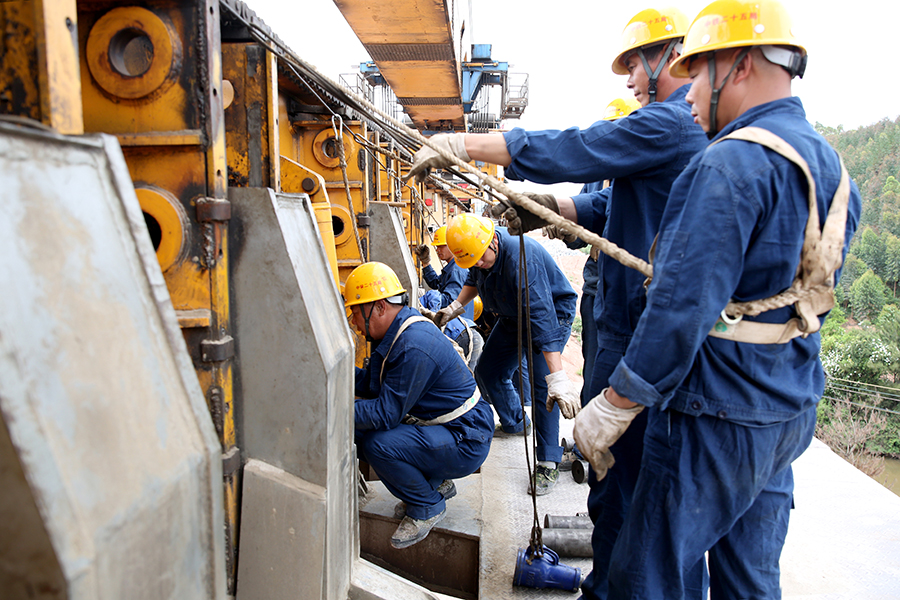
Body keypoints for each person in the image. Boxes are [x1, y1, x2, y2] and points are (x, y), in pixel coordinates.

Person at [405, 8, 709, 598]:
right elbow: (608, 210)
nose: (629, 82)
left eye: (634, 66)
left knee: (638, 488)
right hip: (619, 321)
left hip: (637, 328)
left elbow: (580, 147)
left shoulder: (669, 125)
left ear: (669, 55)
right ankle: (609, 580)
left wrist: (463, 145)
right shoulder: (668, 131)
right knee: (615, 482)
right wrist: (554, 208)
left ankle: (621, 578)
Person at [574, 0, 861, 596]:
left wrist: (617, 401)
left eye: (700, 72)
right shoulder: (830, 166)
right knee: (749, 579)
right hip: (786, 407)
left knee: (650, 575)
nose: (689, 91)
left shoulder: (728, 163)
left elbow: (678, 310)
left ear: (741, 64)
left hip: (714, 412)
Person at [347, 261, 494, 549]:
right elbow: (375, 386)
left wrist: (331, 409)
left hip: (466, 439)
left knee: (378, 443)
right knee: (360, 431)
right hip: (450, 428)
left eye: (355, 311)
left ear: (378, 307)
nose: (353, 321)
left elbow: (386, 413)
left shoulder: (413, 345)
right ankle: (434, 483)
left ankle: (428, 505)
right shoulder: (398, 332)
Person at [433, 213, 578, 495]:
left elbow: (542, 317)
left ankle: (547, 462)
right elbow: (475, 277)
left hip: (550, 314)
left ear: (494, 244)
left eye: (480, 258)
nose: (477, 264)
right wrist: (454, 307)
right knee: (488, 370)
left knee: (542, 387)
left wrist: (557, 377)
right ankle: (515, 422)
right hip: (513, 315)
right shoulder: (478, 249)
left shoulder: (522, 260)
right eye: (471, 261)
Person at [415, 225, 474, 319]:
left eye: (441, 246)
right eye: (437, 247)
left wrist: (431, 297)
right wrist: (426, 263)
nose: (437, 250)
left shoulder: (456, 270)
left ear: (453, 245)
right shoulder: (452, 267)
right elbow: (435, 283)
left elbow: (450, 302)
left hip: (458, 325)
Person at [420, 289, 484, 370]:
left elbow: (434, 294)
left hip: (463, 335)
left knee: (465, 379)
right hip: (468, 334)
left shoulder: (419, 303)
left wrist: (433, 314)